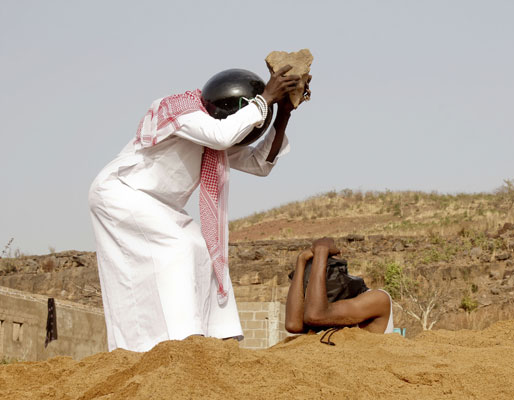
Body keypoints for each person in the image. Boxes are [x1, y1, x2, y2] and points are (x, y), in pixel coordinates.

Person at [89, 65, 303, 352]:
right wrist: (265, 99)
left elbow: (259, 164)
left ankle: (216, 337)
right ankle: (182, 340)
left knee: (203, 252)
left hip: (161, 205)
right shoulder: (181, 111)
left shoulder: (216, 135)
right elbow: (220, 135)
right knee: (178, 248)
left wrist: (283, 112)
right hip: (121, 193)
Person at [285, 238, 394, 335]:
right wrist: (301, 259)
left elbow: (315, 315)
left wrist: (321, 250)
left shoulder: (378, 299)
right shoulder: (323, 309)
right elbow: (293, 325)